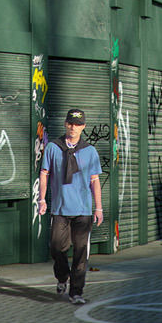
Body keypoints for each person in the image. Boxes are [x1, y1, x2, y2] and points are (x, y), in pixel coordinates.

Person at [38, 106, 103, 304]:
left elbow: (94, 180)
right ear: (65, 124)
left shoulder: (90, 151)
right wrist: (42, 199)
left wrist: (98, 208)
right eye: (70, 123)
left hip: (83, 209)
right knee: (57, 247)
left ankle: (76, 292)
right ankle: (62, 276)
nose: (73, 127)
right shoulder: (53, 148)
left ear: (83, 127)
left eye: (77, 124)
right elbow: (44, 174)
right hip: (60, 208)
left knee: (81, 252)